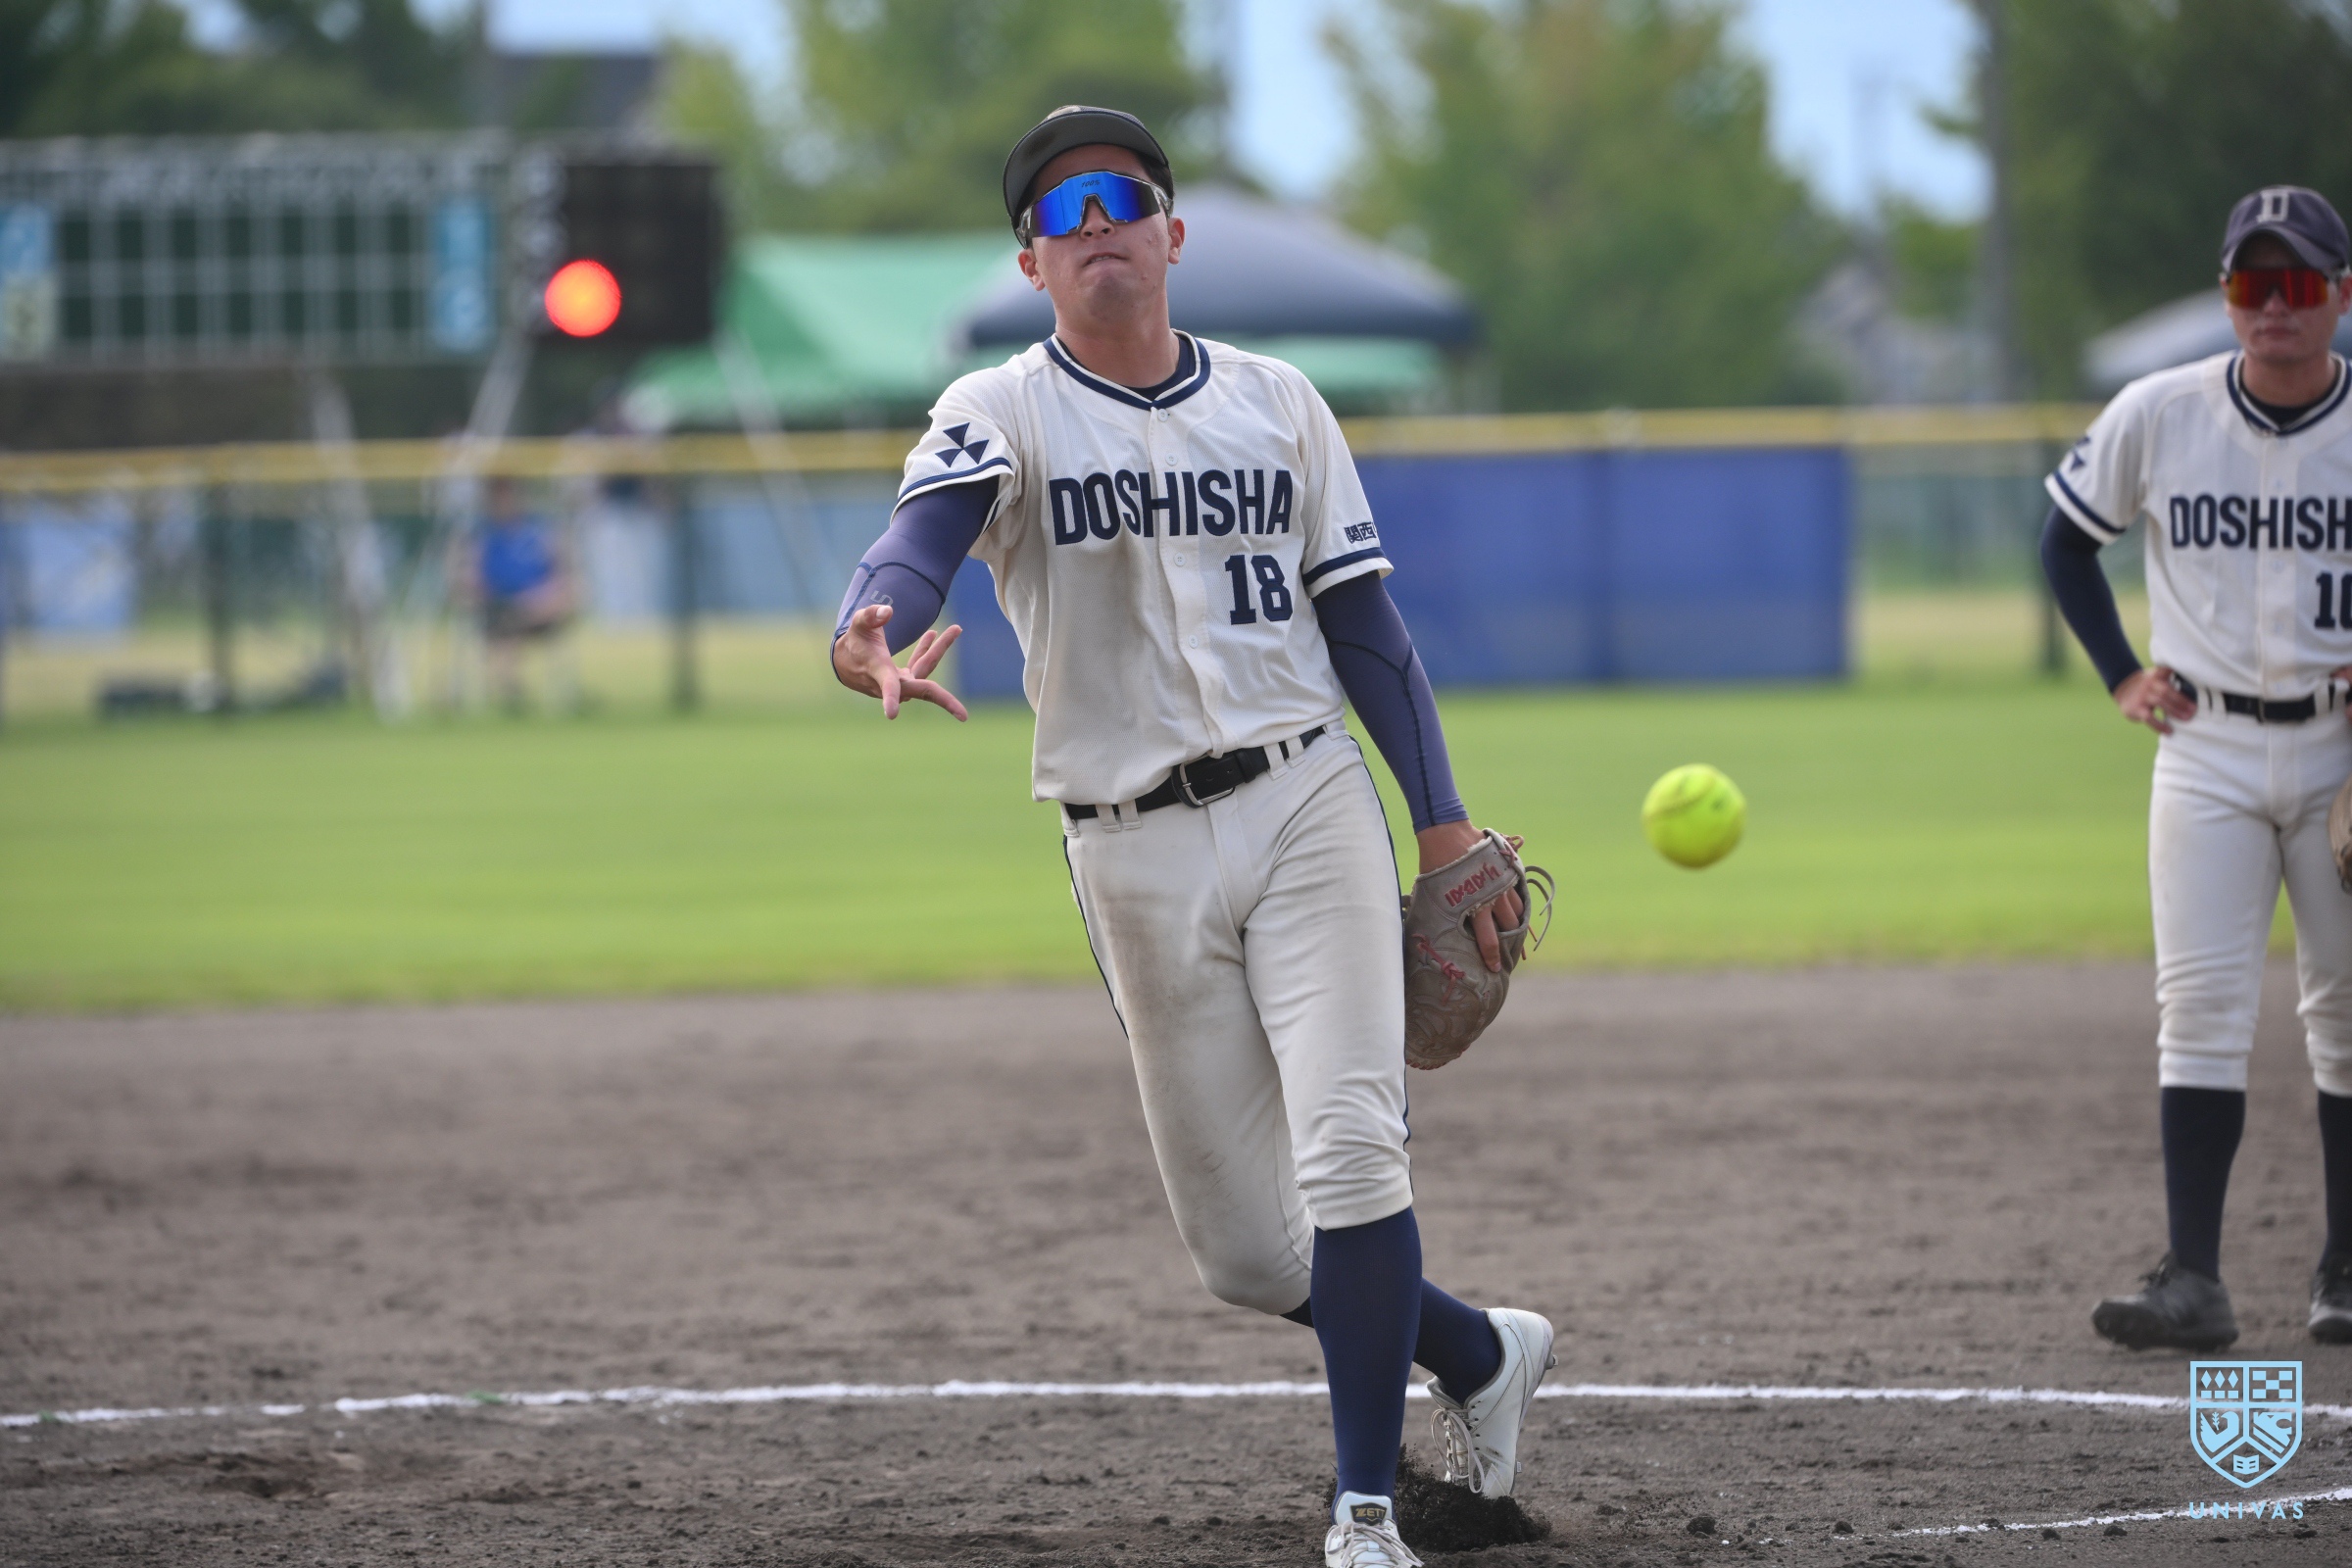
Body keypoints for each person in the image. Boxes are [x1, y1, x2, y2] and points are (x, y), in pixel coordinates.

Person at [829, 106, 1557, 1567]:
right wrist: (872, 626)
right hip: (1128, 850)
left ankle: (1365, 1514)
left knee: (1350, 1149)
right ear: (1032, 262)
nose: (1095, 220)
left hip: (1304, 802)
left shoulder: (1280, 402)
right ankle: (1480, 1352)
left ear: (1171, 233)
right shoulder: (1001, 409)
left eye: (1121, 194)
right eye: (1061, 209)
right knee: (1246, 1253)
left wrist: (1440, 822)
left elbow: (1366, 625)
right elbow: (920, 541)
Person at [2040, 185, 2352, 1349]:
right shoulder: (2161, 412)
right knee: (2201, 1009)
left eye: (2298, 282)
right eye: (2250, 283)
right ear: (2226, 295)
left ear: (2341, 295)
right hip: (2206, 747)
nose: (2274, 306)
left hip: (2341, 751)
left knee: (2347, 1008)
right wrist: (2122, 673)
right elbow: (2066, 543)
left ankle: (2346, 1270)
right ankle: (2196, 1281)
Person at [454, 474, 576, 711]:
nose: (504, 502)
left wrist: (542, 594)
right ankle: (510, 689)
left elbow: (561, 573)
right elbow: (469, 581)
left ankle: (511, 688)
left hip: (538, 607)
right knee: (506, 621)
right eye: (498, 497)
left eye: (508, 495)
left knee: (556, 598)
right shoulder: (482, 536)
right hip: (497, 606)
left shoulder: (540, 532)